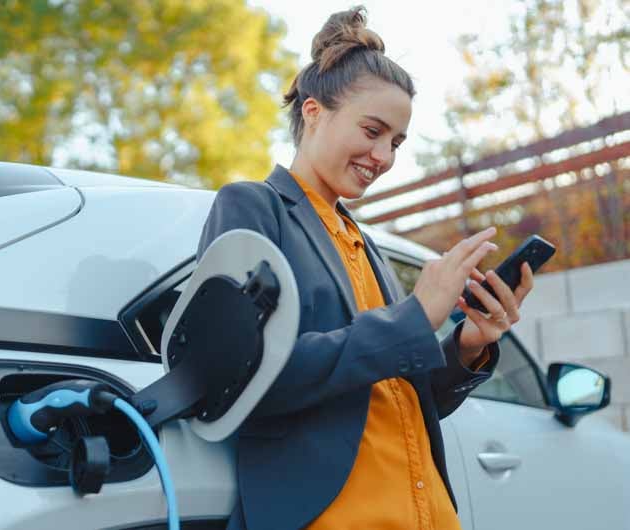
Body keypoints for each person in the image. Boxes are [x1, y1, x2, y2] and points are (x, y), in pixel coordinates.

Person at [196, 6, 534, 530]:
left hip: (427, 513)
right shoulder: (252, 208)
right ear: (313, 112)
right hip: (335, 515)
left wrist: (467, 345)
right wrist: (415, 317)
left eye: (396, 142)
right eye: (373, 130)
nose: (384, 156)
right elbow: (245, 375)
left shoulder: (363, 242)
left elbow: (397, 397)